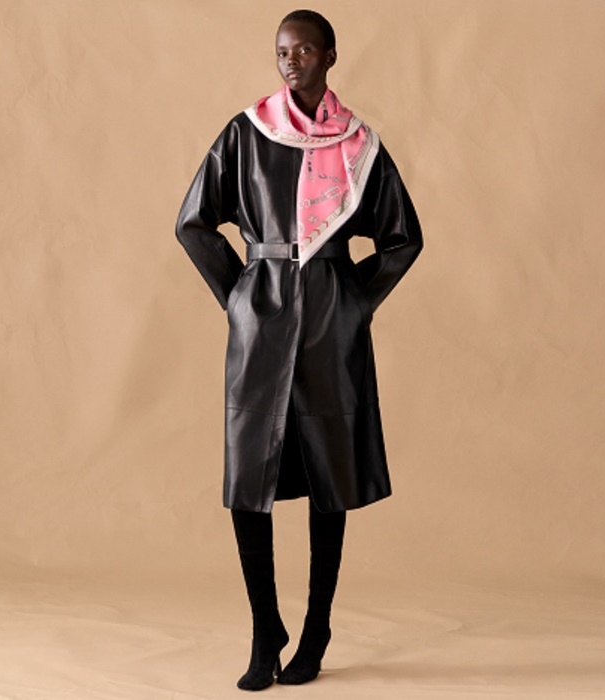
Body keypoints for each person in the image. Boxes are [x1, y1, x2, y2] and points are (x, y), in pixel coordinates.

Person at [175, 8, 423, 691]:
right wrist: (239, 296)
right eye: (283, 50)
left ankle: (316, 630)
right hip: (261, 321)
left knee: (328, 476)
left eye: (305, 49)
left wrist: (355, 300)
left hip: (330, 326)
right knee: (248, 480)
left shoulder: (360, 145)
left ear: (330, 55)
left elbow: (403, 237)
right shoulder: (246, 133)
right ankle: (265, 631)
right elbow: (194, 223)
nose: (291, 60)